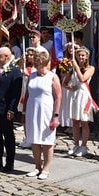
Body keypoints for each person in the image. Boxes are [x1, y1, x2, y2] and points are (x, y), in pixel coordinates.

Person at [23, 48, 61, 180]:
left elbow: (58, 97)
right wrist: (24, 110)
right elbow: (27, 94)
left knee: (47, 141)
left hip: (46, 111)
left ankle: (46, 168)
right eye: (36, 64)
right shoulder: (32, 75)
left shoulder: (52, 77)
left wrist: (55, 116)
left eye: (39, 64)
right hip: (32, 110)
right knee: (34, 139)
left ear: (45, 64)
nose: (37, 67)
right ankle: (37, 166)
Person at [62, 47, 97, 157]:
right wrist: (69, 87)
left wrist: (76, 67)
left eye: (83, 55)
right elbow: (64, 83)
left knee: (84, 122)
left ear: (86, 56)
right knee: (75, 122)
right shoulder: (72, 69)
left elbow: (82, 79)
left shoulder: (91, 68)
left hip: (84, 96)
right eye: (79, 55)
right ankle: (76, 145)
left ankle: (84, 146)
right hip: (75, 96)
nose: (81, 57)